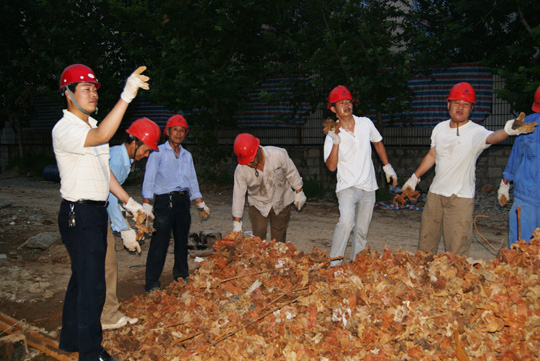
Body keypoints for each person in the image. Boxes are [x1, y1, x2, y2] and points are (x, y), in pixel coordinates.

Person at [53, 64, 149, 361]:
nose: (93, 93)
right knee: (93, 286)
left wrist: (128, 202)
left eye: (95, 88)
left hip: (93, 213)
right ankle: (91, 353)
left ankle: (71, 340)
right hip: (78, 214)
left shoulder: (88, 128)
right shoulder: (66, 129)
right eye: (85, 88)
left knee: (81, 279)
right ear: (68, 94)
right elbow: (105, 132)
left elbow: (103, 172)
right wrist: (127, 95)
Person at [402, 82, 536, 257]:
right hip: (435, 195)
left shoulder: (476, 132)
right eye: (456, 102)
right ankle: (425, 279)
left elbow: (492, 137)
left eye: (466, 104)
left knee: (456, 251)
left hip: (460, 199)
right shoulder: (439, 128)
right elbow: (432, 155)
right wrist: (414, 178)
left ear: (471, 108)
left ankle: (455, 281)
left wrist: (508, 130)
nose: (460, 107)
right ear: (448, 103)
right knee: (426, 247)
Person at [324, 85, 398, 266]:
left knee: (362, 230)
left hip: (368, 186)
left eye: (348, 101)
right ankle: (335, 263)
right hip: (347, 187)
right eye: (341, 103)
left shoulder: (366, 123)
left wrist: (387, 167)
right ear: (333, 109)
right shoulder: (332, 135)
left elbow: (378, 143)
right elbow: (331, 167)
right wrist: (336, 142)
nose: (346, 105)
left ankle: (356, 265)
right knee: (346, 222)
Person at [101, 117, 161, 330]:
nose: (146, 155)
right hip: (94, 215)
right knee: (108, 267)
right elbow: (108, 196)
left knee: (103, 267)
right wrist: (124, 229)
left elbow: (113, 198)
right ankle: (107, 316)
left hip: (101, 212)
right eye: (145, 150)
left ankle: (103, 313)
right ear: (134, 143)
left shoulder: (124, 161)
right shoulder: (117, 160)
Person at [142, 114, 210, 292]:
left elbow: (192, 180)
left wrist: (199, 202)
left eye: (182, 130)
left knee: (181, 242)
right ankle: (152, 283)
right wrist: (146, 204)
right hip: (165, 202)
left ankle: (181, 276)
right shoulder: (157, 152)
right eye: (175, 130)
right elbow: (149, 178)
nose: (178, 134)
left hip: (182, 201)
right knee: (160, 243)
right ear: (168, 132)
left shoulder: (187, 155)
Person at [232, 133, 306, 243]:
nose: (250, 165)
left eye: (251, 162)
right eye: (246, 163)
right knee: (258, 238)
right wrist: (237, 223)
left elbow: (291, 172)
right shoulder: (241, 170)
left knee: (278, 238)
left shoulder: (278, 154)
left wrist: (299, 191)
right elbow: (238, 195)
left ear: (257, 150)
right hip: (258, 203)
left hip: (281, 199)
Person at [497, 85, 540, 246]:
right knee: (520, 249)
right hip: (526, 196)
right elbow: (516, 154)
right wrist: (504, 184)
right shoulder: (528, 123)